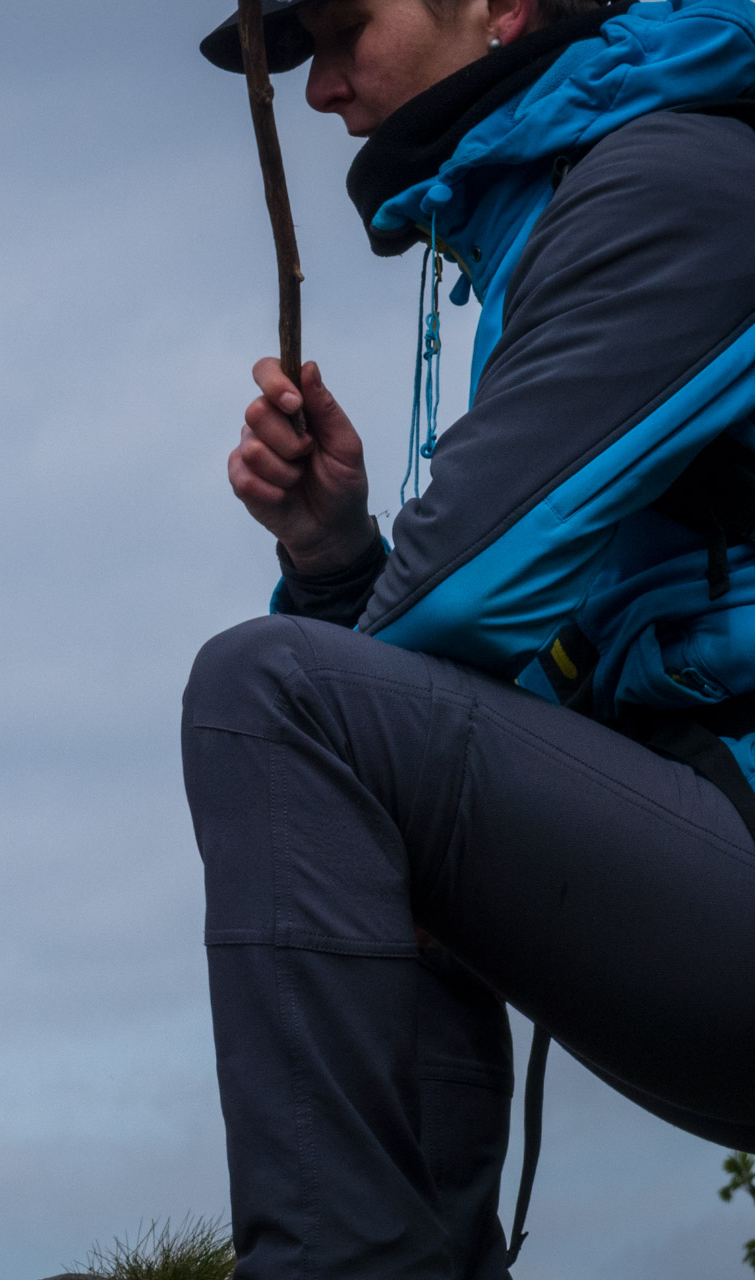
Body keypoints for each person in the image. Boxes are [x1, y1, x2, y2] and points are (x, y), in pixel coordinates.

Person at [183, 0, 755, 1276]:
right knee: (341, 745)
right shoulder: (542, 220)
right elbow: (461, 667)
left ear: (502, 7)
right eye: (297, 62)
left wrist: (351, 639)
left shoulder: (674, 183)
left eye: (339, 30)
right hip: (716, 832)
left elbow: (461, 607)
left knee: (266, 691)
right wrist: (335, 562)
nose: (321, 88)